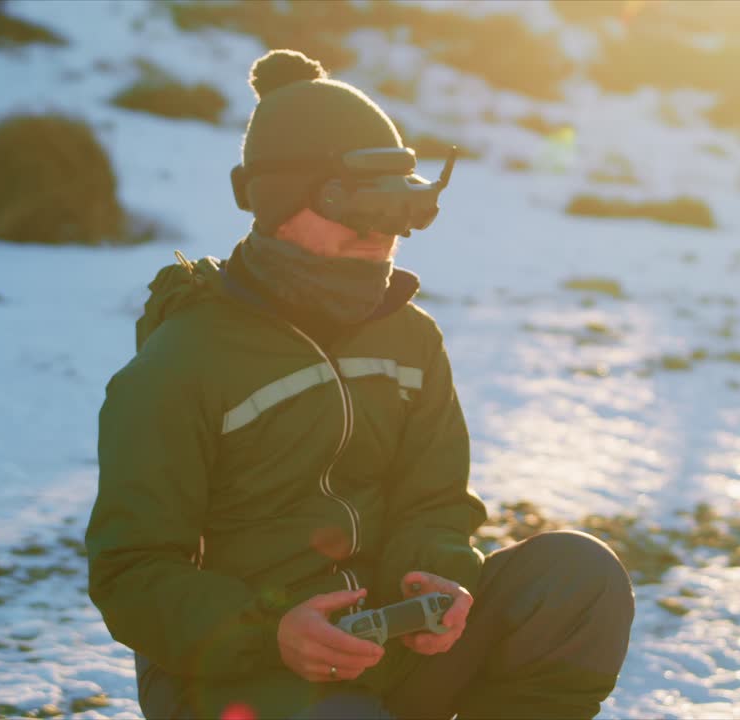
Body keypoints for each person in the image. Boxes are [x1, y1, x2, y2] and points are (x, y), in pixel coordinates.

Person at [85, 49, 636, 719]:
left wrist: (443, 580)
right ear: (280, 202)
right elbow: (132, 573)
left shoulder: (410, 339)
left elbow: (434, 504)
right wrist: (273, 634)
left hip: (394, 651)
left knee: (575, 578)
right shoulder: (182, 363)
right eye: (360, 204)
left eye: (401, 207)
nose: (383, 232)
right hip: (242, 678)